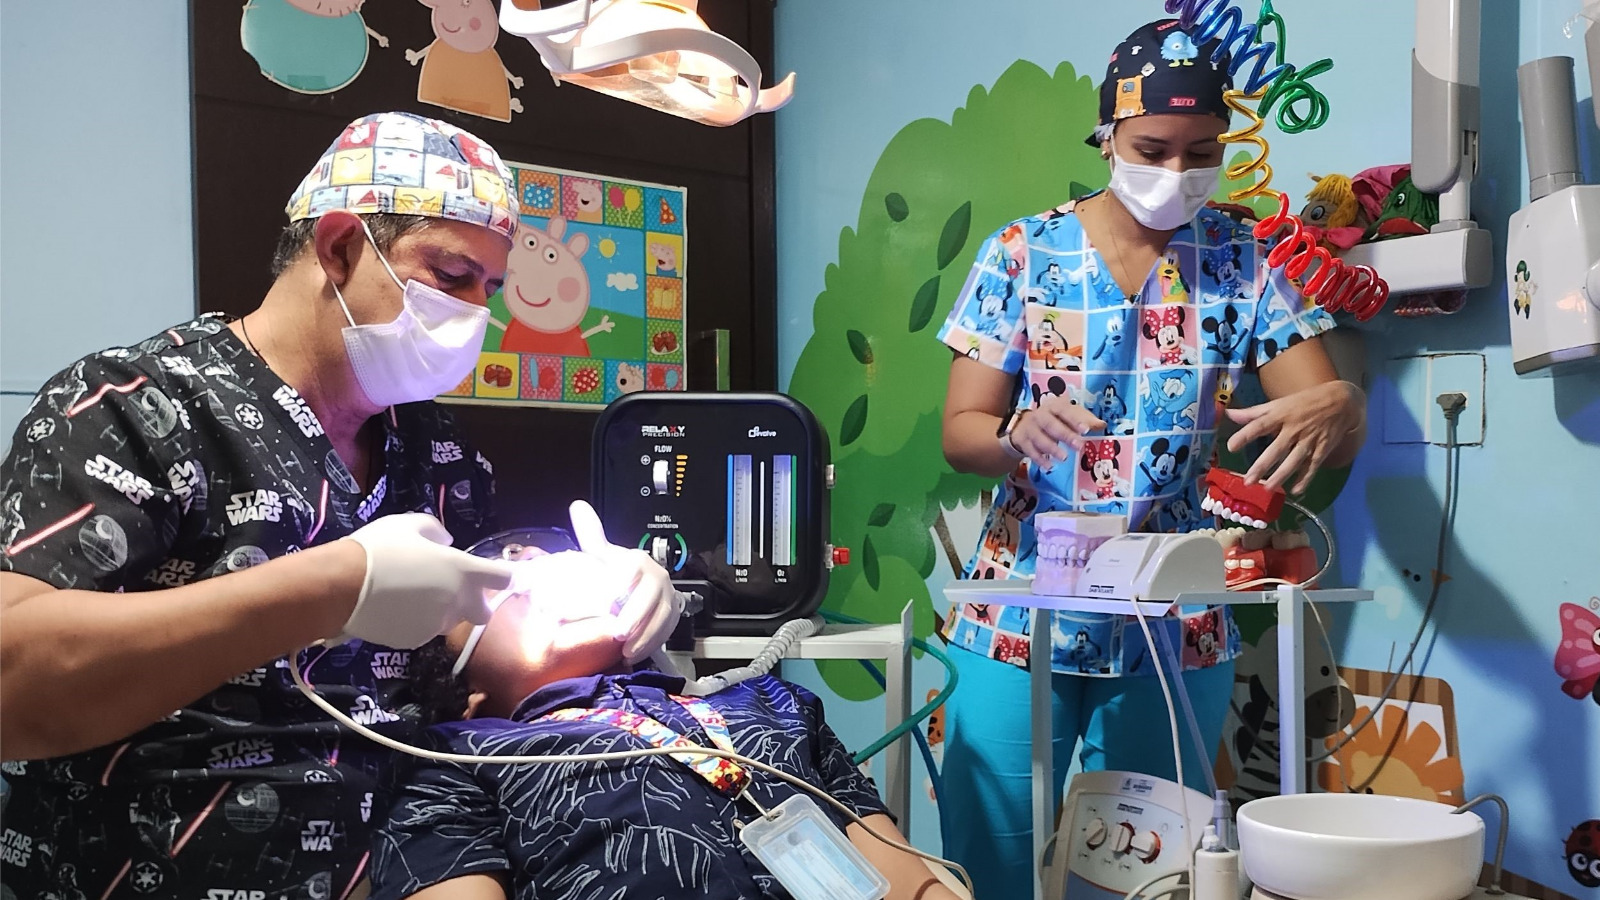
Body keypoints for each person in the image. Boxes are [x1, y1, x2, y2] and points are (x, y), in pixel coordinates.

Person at [0, 111, 680, 899]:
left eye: (489, 290)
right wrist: (332, 587)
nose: (476, 315)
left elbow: (470, 651)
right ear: (340, 247)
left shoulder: (435, 450)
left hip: (420, 862)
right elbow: (15, 679)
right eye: (452, 276)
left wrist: (607, 601)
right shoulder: (135, 409)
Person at [934, 19, 1367, 896]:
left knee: (1144, 872)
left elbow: (1319, 416)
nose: (1177, 172)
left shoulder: (1244, 264)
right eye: (1152, 149)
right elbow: (961, 432)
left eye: (1201, 152)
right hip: (1023, 602)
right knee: (992, 854)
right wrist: (1014, 433)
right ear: (1107, 139)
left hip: (1174, 614)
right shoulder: (1023, 254)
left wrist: (1347, 401)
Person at [368, 538, 964, 900]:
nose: (537, 569)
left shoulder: (778, 705)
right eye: (504, 582)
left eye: (546, 557)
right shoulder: (452, 762)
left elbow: (910, 884)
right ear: (467, 691)